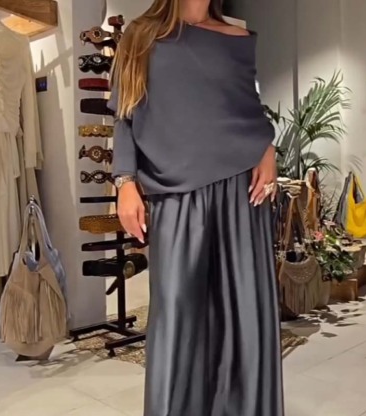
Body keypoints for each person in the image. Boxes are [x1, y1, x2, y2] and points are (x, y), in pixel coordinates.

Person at [108, 0, 284, 414]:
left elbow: (247, 108)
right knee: (177, 317)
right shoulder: (141, 35)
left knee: (244, 315)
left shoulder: (237, 36)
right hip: (175, 193)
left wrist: (268, 149)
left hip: (242, 192)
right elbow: (125, 115)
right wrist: (125, 181)